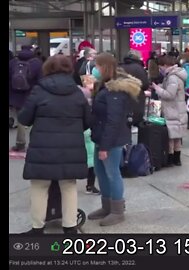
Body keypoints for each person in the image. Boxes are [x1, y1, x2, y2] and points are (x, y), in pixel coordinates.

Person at [18, 55, 91, 234]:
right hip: (70, 147)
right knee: (68, 185)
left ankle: (37, 228)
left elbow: (24, 118)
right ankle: (70, 227)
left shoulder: (38, 91)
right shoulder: (77, 93)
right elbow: (88, 121)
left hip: (42, 148)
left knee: (40, 186)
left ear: (47, 68)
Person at [88, 53, 141, 226]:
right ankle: (107, 205)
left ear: (104, 67)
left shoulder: (115, 90)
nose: (95, 69)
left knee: (112, 173)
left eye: (97, 65)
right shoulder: (104, 86)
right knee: (101, 172)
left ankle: (117, 210)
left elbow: (114, 120)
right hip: (100, 136)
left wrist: (105, 146)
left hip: (112, 139)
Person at [151, 56, 188, 166]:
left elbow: (169, 94)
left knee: (171, 137)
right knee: (177, 136)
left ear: (166, 65)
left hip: (172, 109)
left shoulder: (172, 77)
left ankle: (170, 159)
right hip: (178, 109)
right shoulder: (178, 74)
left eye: (161, 67)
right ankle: (177, 159)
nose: (160, 69)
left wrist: (158, 89)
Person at [9, 45, 43, 152]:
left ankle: (20, 143)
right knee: (36, 119)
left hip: (17, 96)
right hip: (33, 94)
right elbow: (41, 80)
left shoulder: (13, 62)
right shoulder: (37, 63)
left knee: (21, 120)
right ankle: (36, 143)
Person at [120, 50, 149, 127]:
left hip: (122, 99)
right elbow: (145, 84)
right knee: (136, 123)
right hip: (136, 99)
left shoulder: (120, 67)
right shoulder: (139, 68)